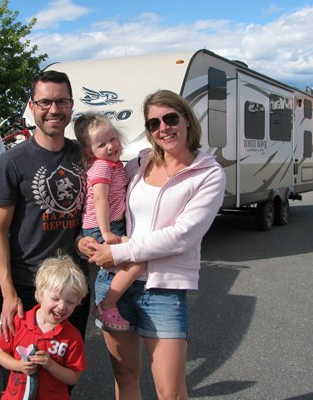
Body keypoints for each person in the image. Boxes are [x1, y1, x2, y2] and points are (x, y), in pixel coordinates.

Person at [80, 89, 226, 400]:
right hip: (114, 285)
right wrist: (85, 240)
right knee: (126, 376)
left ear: (186, 119)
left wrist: (118, 251)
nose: (163, 128)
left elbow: (183, 235)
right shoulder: (138, 164)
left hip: (164, 290)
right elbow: (101, 202)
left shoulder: (209, 173)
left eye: (170, 118)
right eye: (153, 123)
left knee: (170, 391)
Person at [0, 71, 92, 388]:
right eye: (45, 101)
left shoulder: (85, 156)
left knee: (63, 377)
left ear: (71, 105)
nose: (54, 109)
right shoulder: (12, 163)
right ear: (32, 107)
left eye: (61, 101)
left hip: (72, 289)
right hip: (27, 288)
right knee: (22, 378)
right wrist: (8, 295)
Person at [74, 113, 146, 331]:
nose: (110, 146)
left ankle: (110, 304)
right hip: (101, 226)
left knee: (127, 262)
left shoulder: (115, 166)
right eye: (101, 144)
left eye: (113, 139)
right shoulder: (102, 167)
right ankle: (107, 305)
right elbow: (99, 199)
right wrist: (105, 232)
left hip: (111, 225)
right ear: (90, 151)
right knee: (137, 262)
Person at [0, 250, 88, 400]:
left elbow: (73, 377)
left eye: (70, 302)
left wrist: (50, 365)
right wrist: (18, 366)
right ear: (39, 295)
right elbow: (1, 355)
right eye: (55, 298)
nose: (61, 307)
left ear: (77, 303)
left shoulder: (72, 336)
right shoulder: (19, 322)